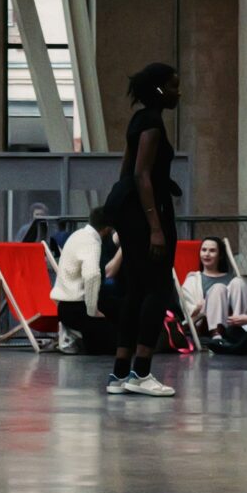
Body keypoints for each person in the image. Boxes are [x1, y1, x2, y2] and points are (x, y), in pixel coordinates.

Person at [101, 64, 184, 398]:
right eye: (174, 86)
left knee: (135, 290)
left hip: (132, 215)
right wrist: (155, 228)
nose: (178, 92)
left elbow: (125, 171)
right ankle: (142, 372)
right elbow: (141, 174)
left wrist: (125, 218)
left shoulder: (138, 120)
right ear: (160, 89)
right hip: (150, 214)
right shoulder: (152, 122)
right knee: (158, 289)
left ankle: (120, 373)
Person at [51, 209, 118, 356]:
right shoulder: (92, 243)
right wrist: (93, 311)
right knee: (115, 345)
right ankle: (81, 337)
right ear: (107, 229)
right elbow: (92, 276)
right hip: (77, 308)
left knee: (112, 306)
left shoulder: (78, 235)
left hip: (64, 306)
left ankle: (84, 336)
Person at [179, 235, 247, 339]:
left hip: (232, 320)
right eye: (204, 250)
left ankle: (240, 326)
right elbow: (188, 310)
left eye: (212, 251)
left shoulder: (232, 279)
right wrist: (200, 305)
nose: (207, 254)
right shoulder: (193, 279)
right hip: (204, 323)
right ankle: (216, 334)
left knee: (240, 282)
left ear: (220, 255)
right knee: (218, 288)